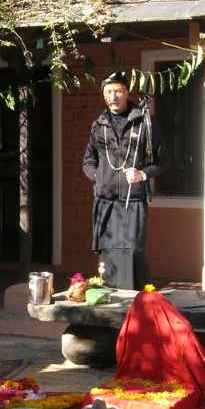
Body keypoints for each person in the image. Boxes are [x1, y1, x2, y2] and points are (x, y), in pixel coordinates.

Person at [82, 71, 168, 290]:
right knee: (108, 255)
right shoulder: (98, 125)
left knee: (133, 253)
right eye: (109, 92)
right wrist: (99, 177)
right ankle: (110, 301)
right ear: (104, 95)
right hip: (105, 201)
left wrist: (142, 174)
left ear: (127, 93)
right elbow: (88, 161)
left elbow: (163, 160)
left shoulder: (145, 122)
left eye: (118, 91)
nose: (113, 96)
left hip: (134, 201)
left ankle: (140, 302)